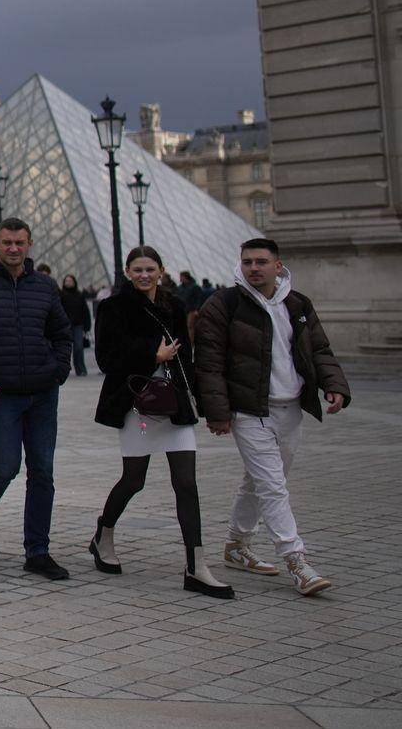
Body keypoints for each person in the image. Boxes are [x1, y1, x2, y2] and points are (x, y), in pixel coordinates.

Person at [194, 237, 351, 597]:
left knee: (261, 479)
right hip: (249, 410)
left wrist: (334, 384)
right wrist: (218, 413)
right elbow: (209, 362)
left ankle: (236, 545)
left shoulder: (297, 303)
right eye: (247, 261)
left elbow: (320, 349)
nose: (254, 268)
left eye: (261, 261)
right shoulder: (225, 303)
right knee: (273, 485)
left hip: (290, 408)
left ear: (277, 266)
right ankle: (296, 560)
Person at [89, 247, 233, 599]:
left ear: (161, 270)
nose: (143, 275)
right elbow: (107, 358)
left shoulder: (176, 306)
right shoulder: (112, 307)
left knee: (186, 482)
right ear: (127, 271)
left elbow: (189, 358)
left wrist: (207, 403)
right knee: (133, 480)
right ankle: (103, 533)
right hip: (136, 405)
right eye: (137, 269)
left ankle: (196, 565)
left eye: (150, 269)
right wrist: (152, 354)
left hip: (174, 404)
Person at [0, 218, 75, 581]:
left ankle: (37, 551)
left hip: (42, 391)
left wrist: (58, 370)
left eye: (20, 242)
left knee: (43, 471)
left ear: (30, 244)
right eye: (7, 242)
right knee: (5, 466)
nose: (13, 248)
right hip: (1, 394)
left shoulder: (45, 286)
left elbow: (62, 332)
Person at [60, 274, 93, 377]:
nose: (68, 283)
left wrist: (87, 326)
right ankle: (63, 369)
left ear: (74, 282)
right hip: (65, 325)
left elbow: (85, 311)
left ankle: (81, 369)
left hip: (78, 325)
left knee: (79, 347)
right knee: (64, 349)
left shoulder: (79, 295)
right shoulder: (61, 296)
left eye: (70, 281)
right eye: (67, 281)